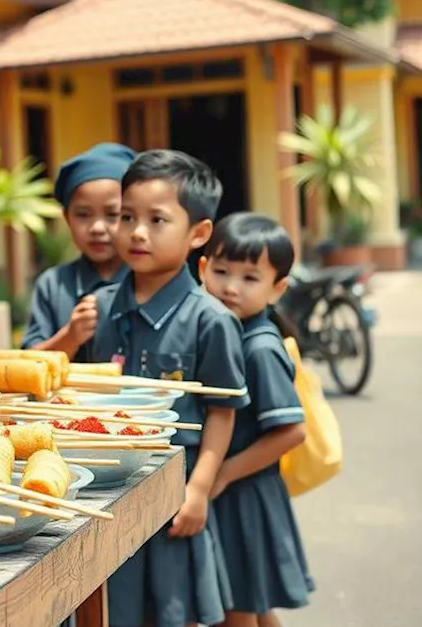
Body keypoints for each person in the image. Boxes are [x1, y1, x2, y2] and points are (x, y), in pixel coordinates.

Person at [90, 150, 251, 627]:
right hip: (107, 493)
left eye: (157, 219)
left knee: (173, 611)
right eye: (127, 217)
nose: (136, 232)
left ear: (198, 234)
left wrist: (199, 489)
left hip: (174, 494)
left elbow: (222, 411)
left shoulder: (211, 320)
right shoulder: (98, 309)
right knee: (111, 609)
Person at [198, 213, 314, 626]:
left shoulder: (258, 347)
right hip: (242, 490)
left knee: (237, 609)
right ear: (203, 268)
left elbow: (291, 432)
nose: (231, 286)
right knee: (255, 605)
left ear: (277, 288)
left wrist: (224, 473)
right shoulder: (228, 331)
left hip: (243, 492)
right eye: (222, 271)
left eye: (250, 278)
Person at [22, 142, 136, 361]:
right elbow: (28, 364)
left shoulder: (149, 281)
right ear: (67, 218)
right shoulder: (53, 285)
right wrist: (70, 337)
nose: (97, 228)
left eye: (113, 214)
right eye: (83, 214)